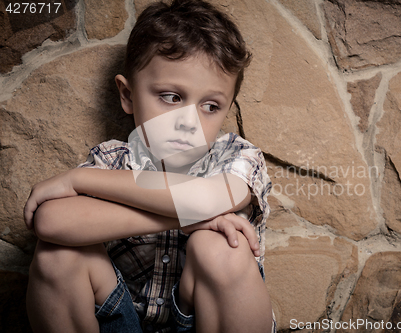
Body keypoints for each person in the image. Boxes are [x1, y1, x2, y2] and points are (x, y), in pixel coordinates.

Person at [23, 0, 275, 332]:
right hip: (124, 320)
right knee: (57, 254)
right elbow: (50, 223)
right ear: (127, 95)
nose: (189, 121)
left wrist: (78, 180)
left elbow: (205, 199)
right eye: (171, 97)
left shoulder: (236, 157)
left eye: (211, 105)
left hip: (201, 318)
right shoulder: (113, 161)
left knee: (219, 247)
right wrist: (193, 219)